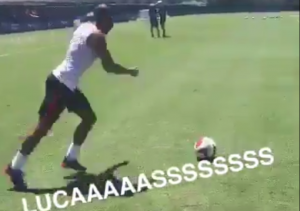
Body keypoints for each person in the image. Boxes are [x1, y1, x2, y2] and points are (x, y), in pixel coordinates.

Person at [5, 4, 139, 190]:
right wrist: (129, 72)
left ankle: (71, 158)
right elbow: (109, 67)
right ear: (103, 19)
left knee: (88, 118)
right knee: (42, 129)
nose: (112, 24)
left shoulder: (84, 26)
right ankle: (14, 167)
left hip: (66, 85)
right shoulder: (98, 37)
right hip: (61, 86)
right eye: (111, 20)